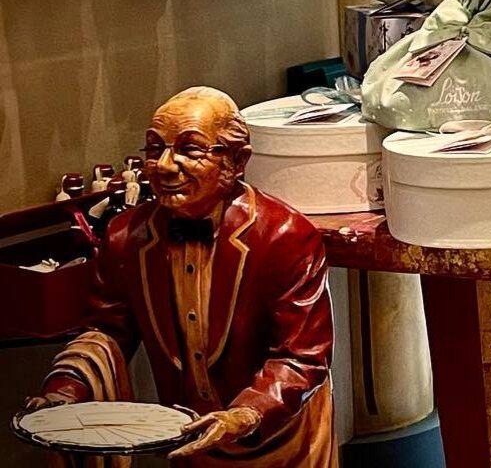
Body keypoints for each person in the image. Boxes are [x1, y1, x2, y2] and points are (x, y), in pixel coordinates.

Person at [26, 87, 336, 467]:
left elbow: (301, 356)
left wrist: (245, 414)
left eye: (190, 149)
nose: (165, 166)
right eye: (155, 148)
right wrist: (67, 390)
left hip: (280, 438)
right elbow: (107, 332)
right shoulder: (126, 237)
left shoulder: (286, 237)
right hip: (188, 435)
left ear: (237, 160)